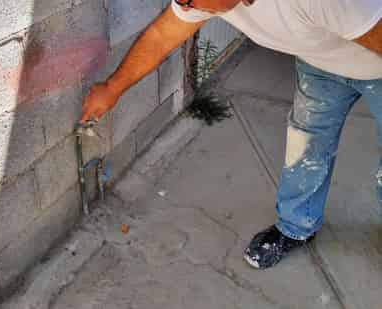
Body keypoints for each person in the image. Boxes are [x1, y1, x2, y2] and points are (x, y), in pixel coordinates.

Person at [80, 0, 382, 269]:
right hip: (320, 63)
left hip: (377, 66)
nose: (185, 5)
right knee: (306, 144)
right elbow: (161, 37)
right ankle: (295, 225)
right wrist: (112, 88)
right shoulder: (198, 1)